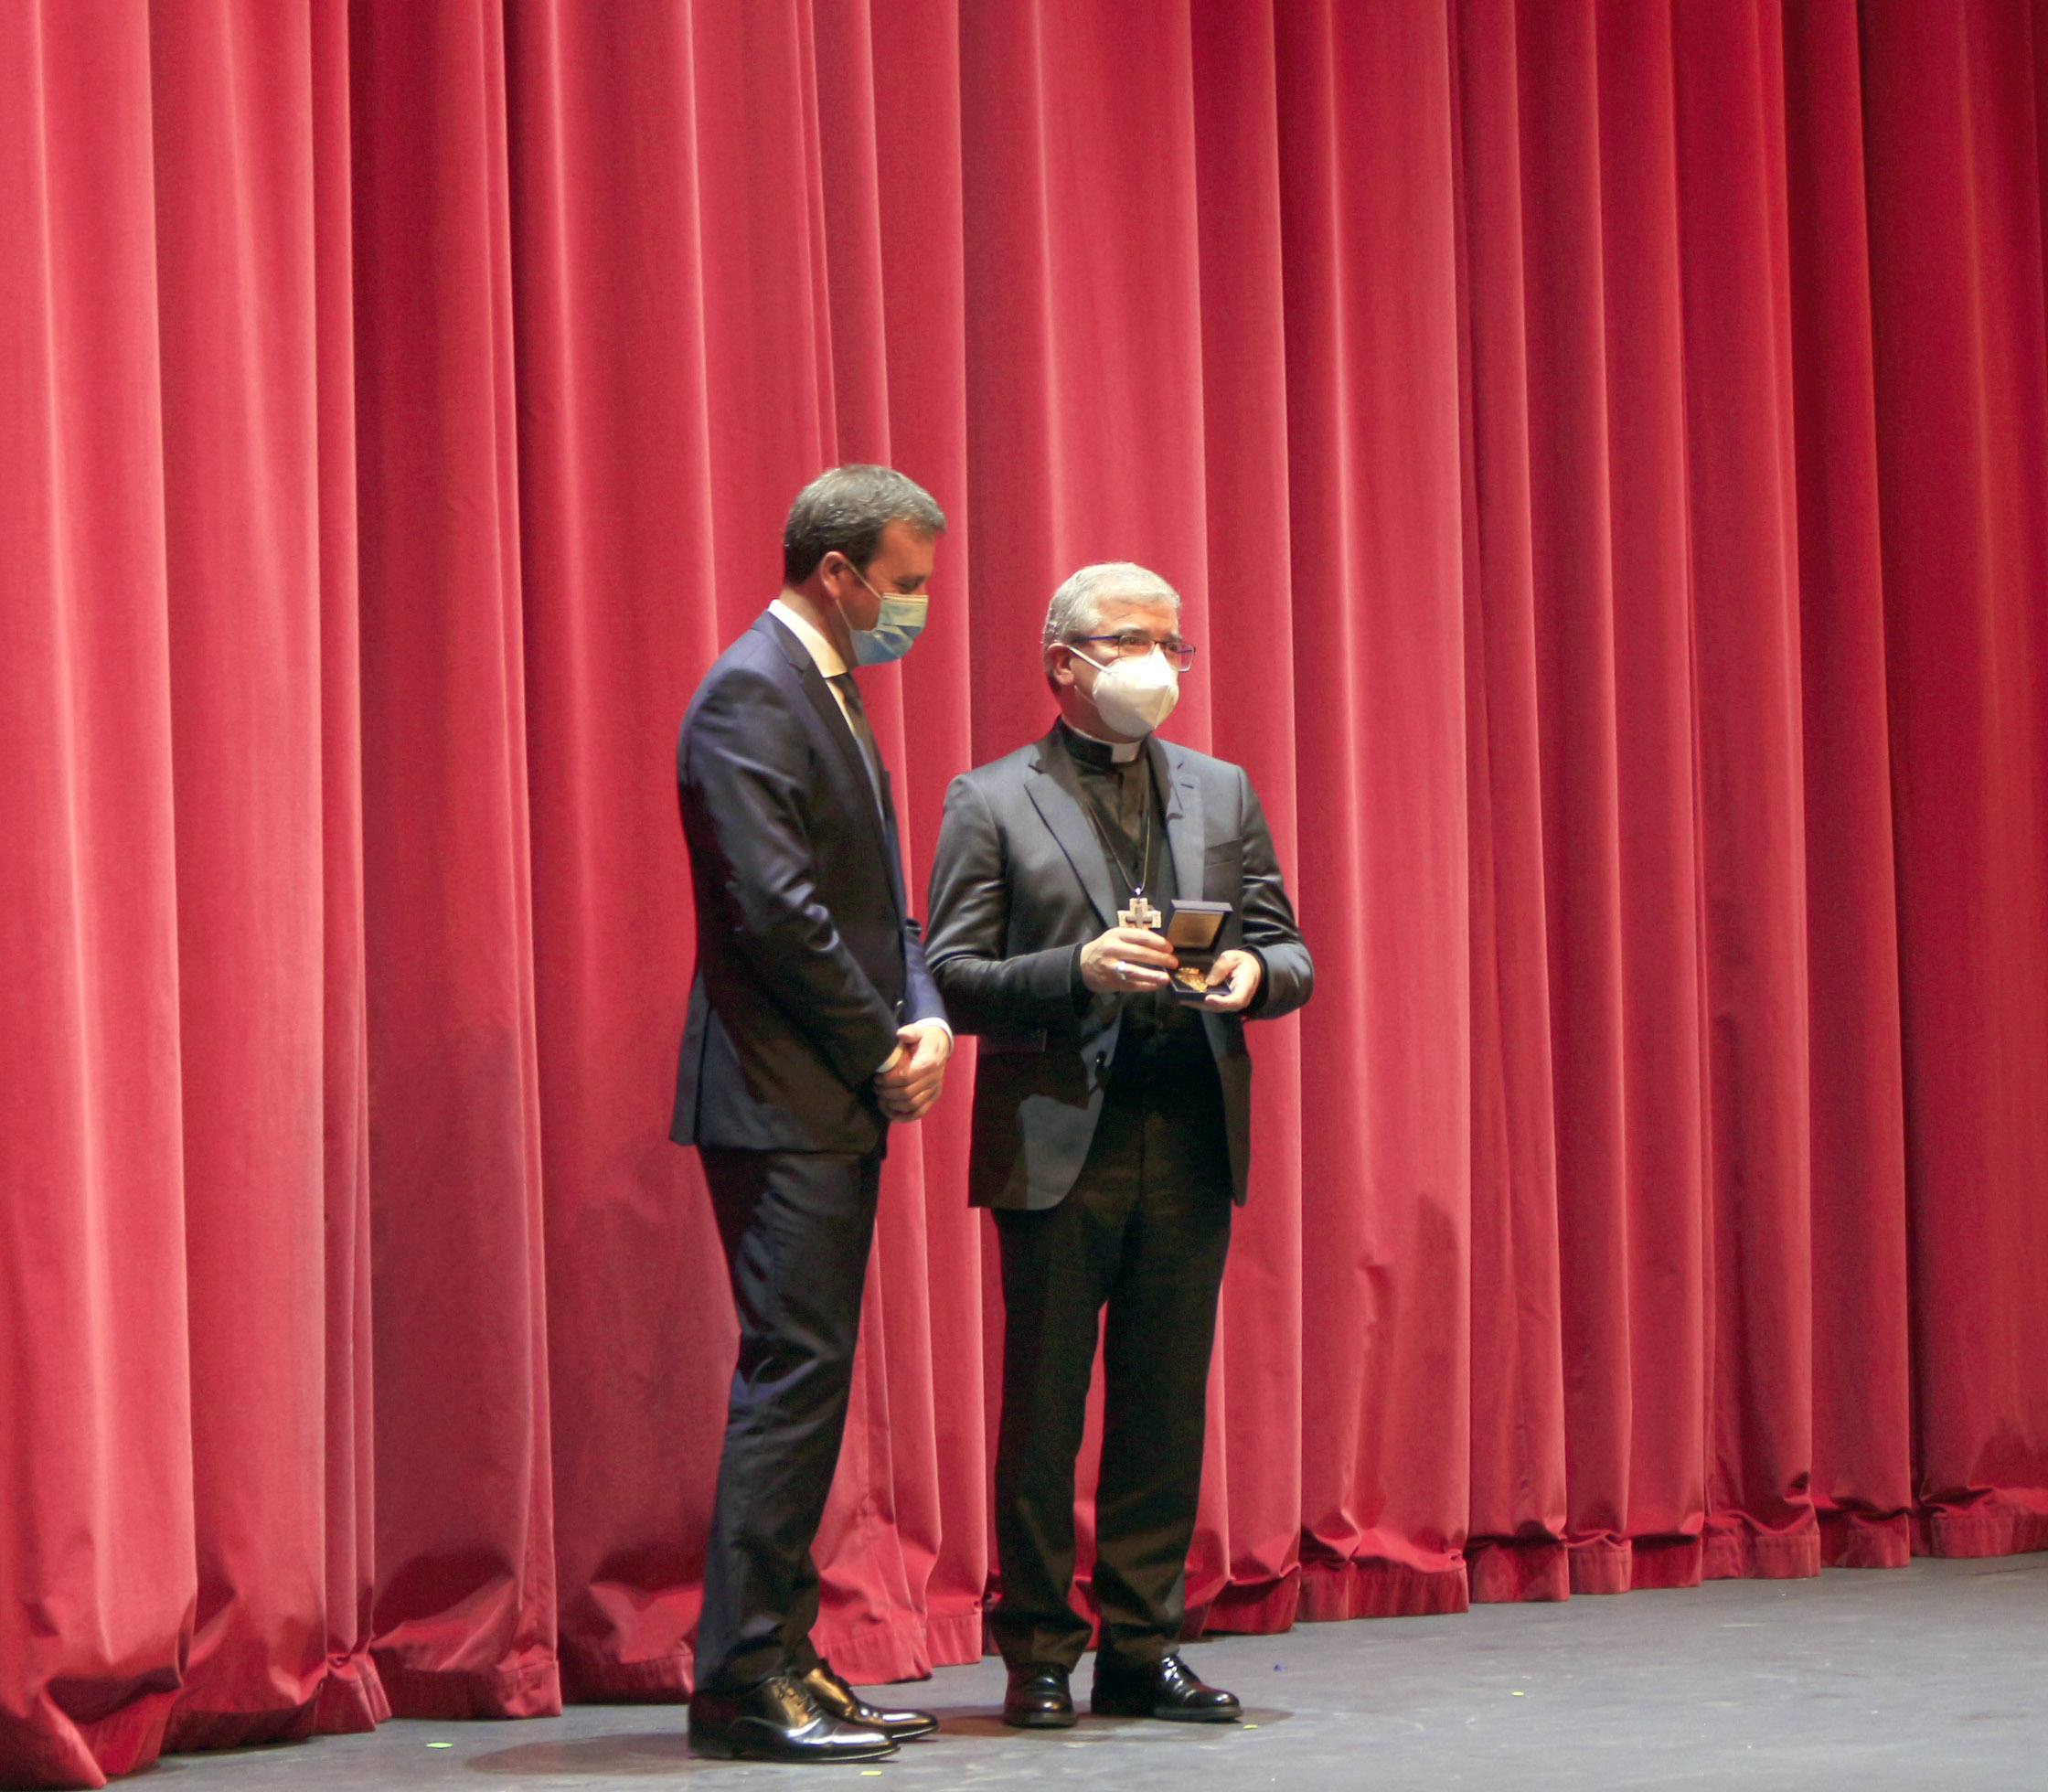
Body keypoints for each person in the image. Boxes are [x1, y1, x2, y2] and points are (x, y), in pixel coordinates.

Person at [925, 561, 1313, 1730]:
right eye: (1132, 641)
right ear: (1064, 662)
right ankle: (1039, 1652)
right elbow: (949, 975)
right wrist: (1074, 970)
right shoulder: (989, 798)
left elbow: (1285, 947)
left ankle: (1141, 1647)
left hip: (1186, 1134)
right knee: (1042, 1410)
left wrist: (1252, 976)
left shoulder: (1221, 789)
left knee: (1161, 1405)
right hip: (1057, 1144)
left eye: (1173, 645)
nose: (1159, 665)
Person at [672, 465, 955, 1764]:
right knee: (791, 1380)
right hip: (784, 1095)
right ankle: (739, 1682)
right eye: (905, 585)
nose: (918, 609)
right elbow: (775, 913)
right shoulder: (752, 690)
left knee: (814, 1376)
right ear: (836, 572)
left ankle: (786, 1652)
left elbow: (876, 892)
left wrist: (924, 1012)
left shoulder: (828, 693)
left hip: (834, 1085)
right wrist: (877, 1047)